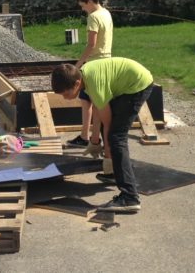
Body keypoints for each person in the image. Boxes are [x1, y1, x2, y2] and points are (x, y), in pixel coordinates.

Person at [51, 58, 153, 213]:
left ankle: (130, 197)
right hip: (126, 81)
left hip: (136, 85)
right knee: (112, 136)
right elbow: (98, 112)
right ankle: (114, 174)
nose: (65, 98)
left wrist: (107, 158)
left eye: (66, 93)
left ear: (77, 84)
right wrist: (94, 141)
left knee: (116, 137)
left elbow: (108, 124)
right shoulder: (85, 78)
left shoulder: (94, 85)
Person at [67, 0, 113, 149]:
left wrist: (77, 66)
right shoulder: (106, 13)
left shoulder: (93, 17)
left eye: (83, 6)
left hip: (95, 65)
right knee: (87, 100)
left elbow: (91, 45)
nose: (83, 9)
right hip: (106, 60)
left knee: (96, 102)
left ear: (89, 2)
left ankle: (94, 139)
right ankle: (86, 136)